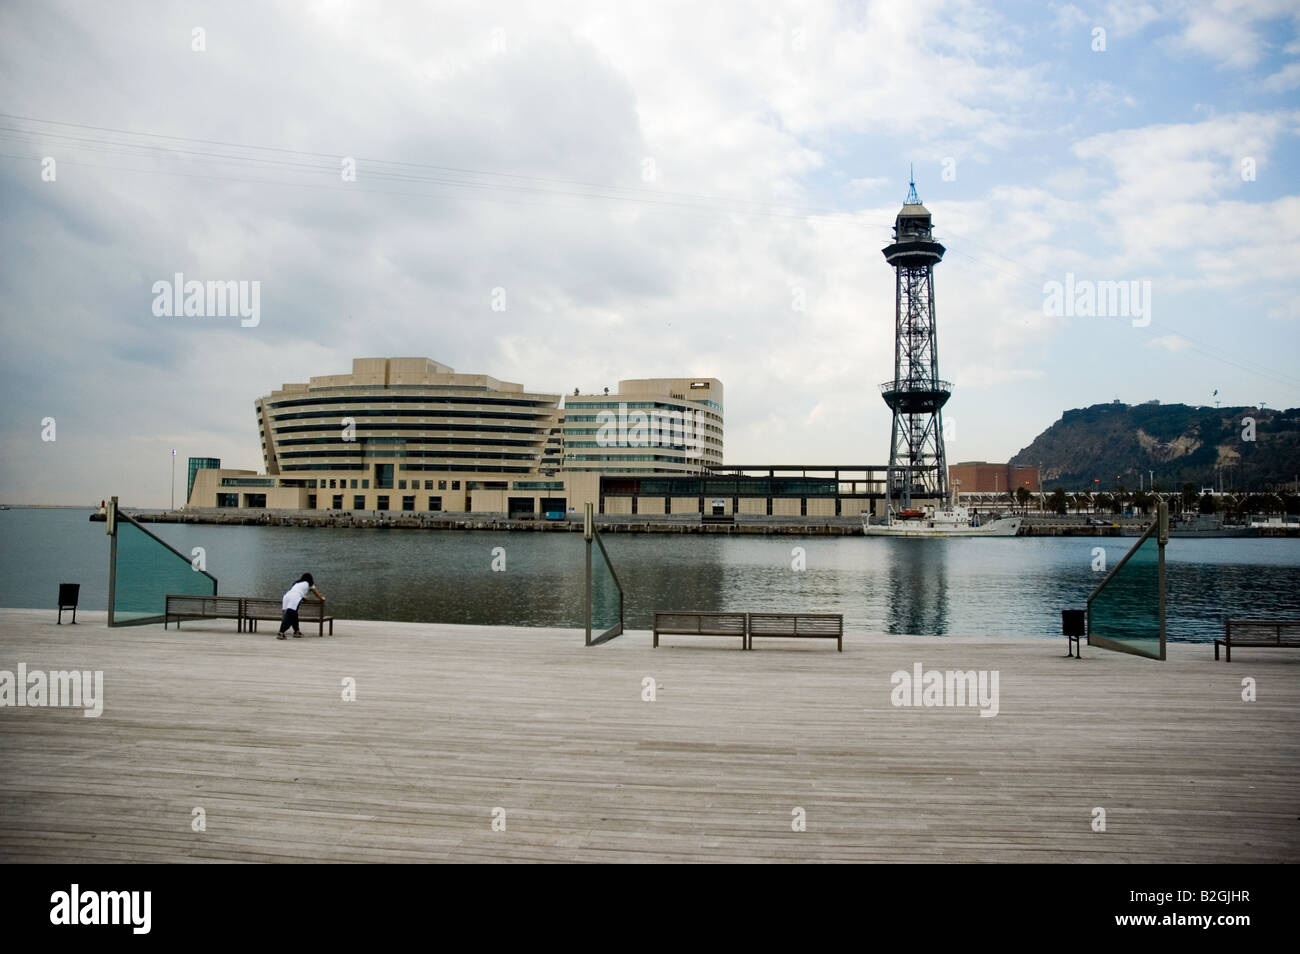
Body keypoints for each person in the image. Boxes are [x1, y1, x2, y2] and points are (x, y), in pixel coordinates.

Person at [277, 573, 325, 639]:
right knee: (290, 615)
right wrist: (322, 598)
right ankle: (281, 632)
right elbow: (316, 594)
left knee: (294, 615)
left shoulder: (297, 583)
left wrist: (303, 596)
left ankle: (297, 631)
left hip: (287, 596)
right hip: (295, 597)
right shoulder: (309, 583)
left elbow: (295, 590)